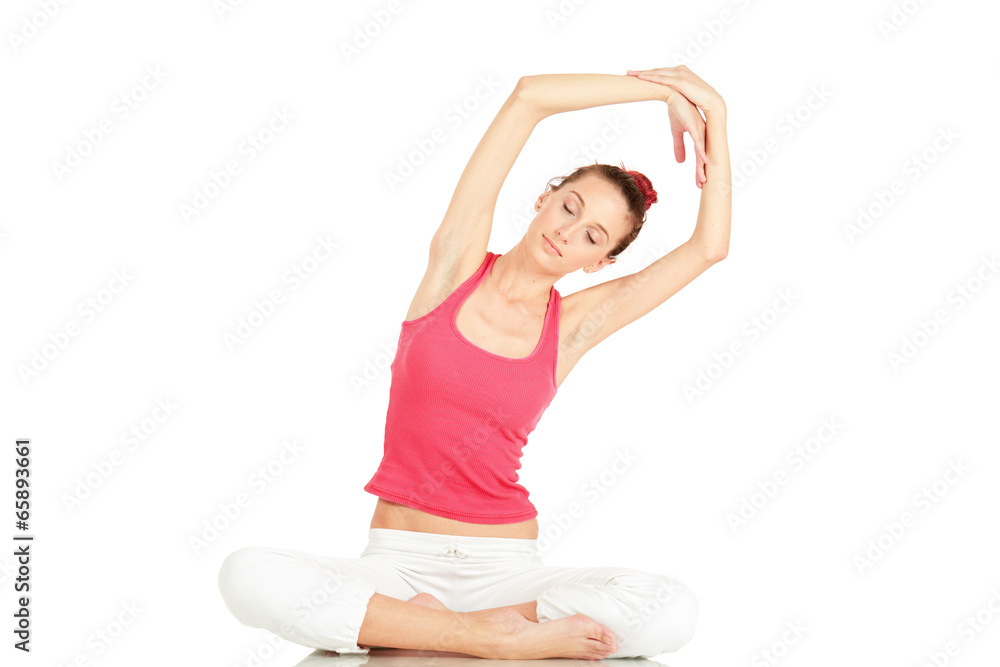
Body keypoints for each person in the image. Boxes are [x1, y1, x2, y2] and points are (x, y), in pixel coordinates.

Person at [217, 65, 731, 661]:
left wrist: (715, 113)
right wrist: (665, 90)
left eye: (593, 237)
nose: (569, 232)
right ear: (543, 200)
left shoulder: (570, 328)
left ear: (598, 264)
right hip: (398, 565)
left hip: (507, 573)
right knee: (245, 574)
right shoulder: (453, 269)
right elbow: (529, 96)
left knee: (670, 609)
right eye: (569, 207)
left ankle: (427, 628)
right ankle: (484, 637)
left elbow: (707, 248)